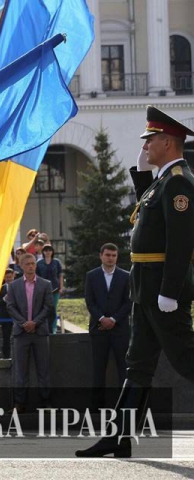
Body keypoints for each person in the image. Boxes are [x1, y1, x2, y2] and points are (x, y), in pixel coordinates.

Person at [77, 106, 194, 458]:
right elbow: (150, 212)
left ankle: (119, 436)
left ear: (169, 143)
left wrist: (170, 291)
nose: (146, 147)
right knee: (138, 363)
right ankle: (119, 437)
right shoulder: (164, 181)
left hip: (162, 288)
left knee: (185, 358)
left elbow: (181, 241)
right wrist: (142, 175)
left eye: (151, 140)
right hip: (145, 287)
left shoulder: (180, 184)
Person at [84, 243, 131, 409]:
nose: (111, 258)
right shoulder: (92, 276)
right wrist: (102, 319)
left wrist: (113, 320)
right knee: (99, 368)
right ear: (101, 256)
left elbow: (128, 302)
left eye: (114, 255)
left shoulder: (126, 276)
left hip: (120, 330)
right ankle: (97, 407)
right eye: (108, 255)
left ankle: (124, 405)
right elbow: (90, 301)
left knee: (123, 368)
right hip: (99, 329)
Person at [6, 253, 53, 413]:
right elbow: (10, 306)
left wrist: (35, 323)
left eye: (33, 263)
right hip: (21, 332)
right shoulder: (14, 286)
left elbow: (48, 307)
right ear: (21, 266)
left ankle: (46, 401)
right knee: (20, 370)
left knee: (44, 369)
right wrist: (24, 323)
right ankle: (20, 403)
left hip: (40, 332)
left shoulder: (45, 284)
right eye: (27, 264)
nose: (31, 266)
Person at [36, 244, 64, 334]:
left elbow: (60, 275)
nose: (48, 252)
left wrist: (61, 287)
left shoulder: (56, 262)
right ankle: (45, 327)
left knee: (53, 309)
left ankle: (53, 328)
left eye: (49, 250)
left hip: (55, 289)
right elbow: (37, 277)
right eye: (46, 250)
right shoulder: (39, 263)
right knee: (44, 308)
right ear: (43, 252)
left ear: (52, 252)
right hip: (43, 289)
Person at [0, 268, 16, 358]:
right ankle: (6, 356)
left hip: (17, 316)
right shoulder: (1, 288)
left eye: (10, 277)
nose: (9, 279)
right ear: (4, 278)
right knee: (6, 337)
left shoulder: (18, 286)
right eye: (7, 277)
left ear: (13, 276)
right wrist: (4, 299)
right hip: (5, 317)